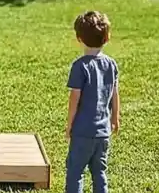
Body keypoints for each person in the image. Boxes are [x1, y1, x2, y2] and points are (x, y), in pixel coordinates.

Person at [65, 10, 120, 193]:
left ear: (79, 38)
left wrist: (69, 124)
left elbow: (75, 98)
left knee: (75, 172)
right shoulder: (111, 64)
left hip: (82, 132)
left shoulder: (80, 66)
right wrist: (115, 118)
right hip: (103, 132)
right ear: (107, 38)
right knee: (100, 172)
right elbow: (115, 93)